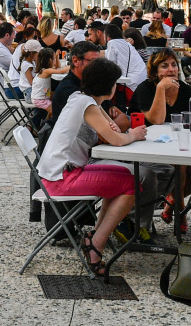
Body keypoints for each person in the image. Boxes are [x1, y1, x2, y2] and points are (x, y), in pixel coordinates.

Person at [36, 57, 147, 277]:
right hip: (62, 178)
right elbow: (116, 139)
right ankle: (96, 244)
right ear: (109, 85)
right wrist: (132, 135)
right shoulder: (87, 104)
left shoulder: (81, 98)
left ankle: (95, 237)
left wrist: (112, 127)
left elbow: (109, 129)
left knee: (126, 178)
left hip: (57, 173)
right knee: (132, 184)